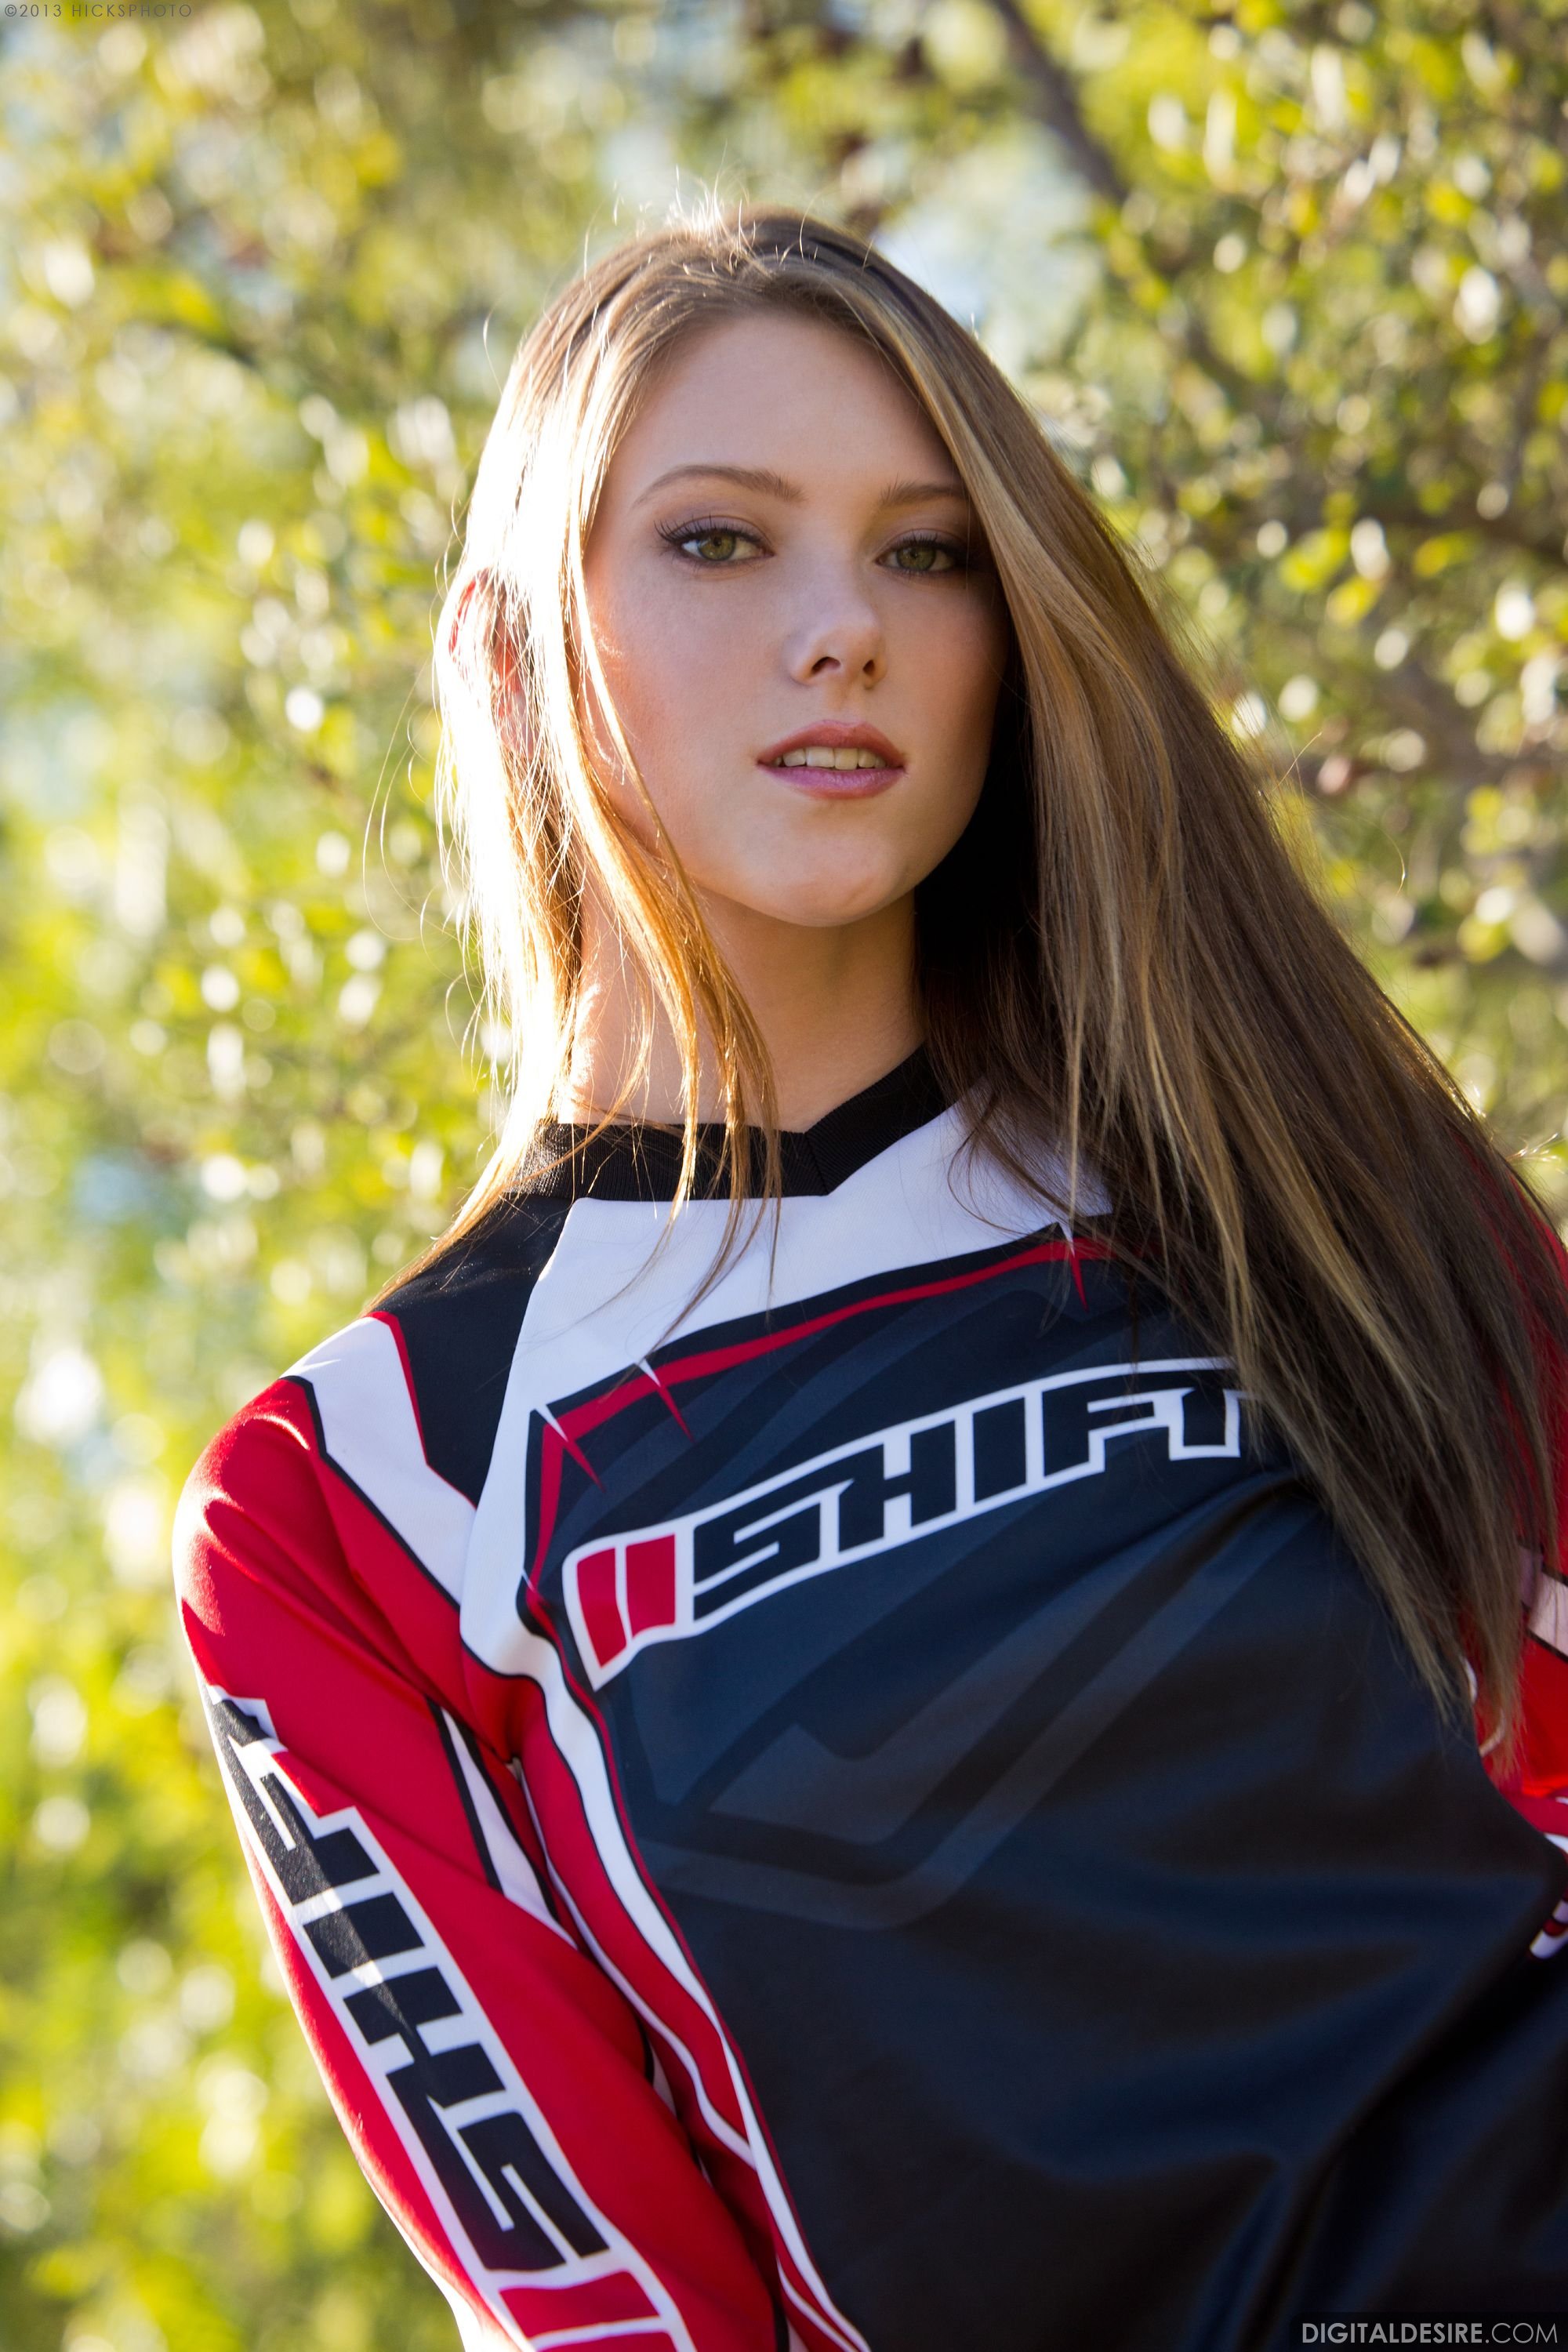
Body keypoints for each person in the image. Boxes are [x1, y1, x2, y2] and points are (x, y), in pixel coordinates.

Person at [173, 206, 1568, 2352]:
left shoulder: (1292, 1179)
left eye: (928, 554)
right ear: (512, 652)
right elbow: (609, 2302)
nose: (847, 632)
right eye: (721, 542)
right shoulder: (363, 1501)